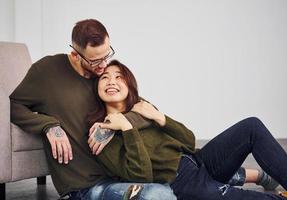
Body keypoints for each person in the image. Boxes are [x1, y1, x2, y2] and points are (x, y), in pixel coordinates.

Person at [9, 19, 177, 200]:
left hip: (121, 174)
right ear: (75, 55)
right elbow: (14, 105)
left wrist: (113, 125)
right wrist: (48, 125)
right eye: (96, 60)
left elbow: (145, 109)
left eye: (107, 55)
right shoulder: (46, 72)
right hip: (86, 186)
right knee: (158, 195)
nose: (105, 65)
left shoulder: (105, 77)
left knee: (167, 189)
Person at [87, 60, 287, 200]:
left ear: (129, 84)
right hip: (182, 183)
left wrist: (160, 117)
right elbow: (141, 176)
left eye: (118, 76)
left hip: (198, 162)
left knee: (251, 126)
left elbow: (188, 141)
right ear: (97, 88)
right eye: (104, 77)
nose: (111, 81)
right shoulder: (102, 133)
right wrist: (127, 129)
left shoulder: (142, 108)